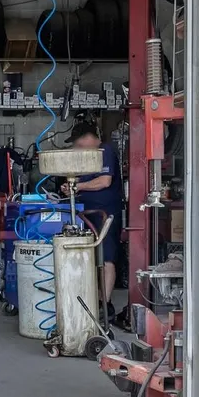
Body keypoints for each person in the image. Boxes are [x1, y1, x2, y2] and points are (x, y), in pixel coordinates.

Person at [60, 120, 124, 327]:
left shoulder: (105, 151)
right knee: (92, 258)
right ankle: (95, 301)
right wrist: (71, 187)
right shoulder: (89, 157)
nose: (78, 148)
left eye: (79, 143)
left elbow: (104, 181)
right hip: (88, 214)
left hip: (105, 214)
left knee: (106, 258)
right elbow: (84, 182)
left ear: (89, 138)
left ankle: (105, 304)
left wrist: (78, 186)